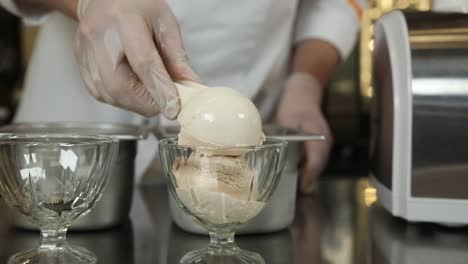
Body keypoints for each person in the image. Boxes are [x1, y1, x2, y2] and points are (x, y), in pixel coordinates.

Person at [1, 0, 365, 194]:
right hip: (73, 131)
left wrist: (305, 83)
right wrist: (89, 3)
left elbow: (332, 5)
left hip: (236, 149)